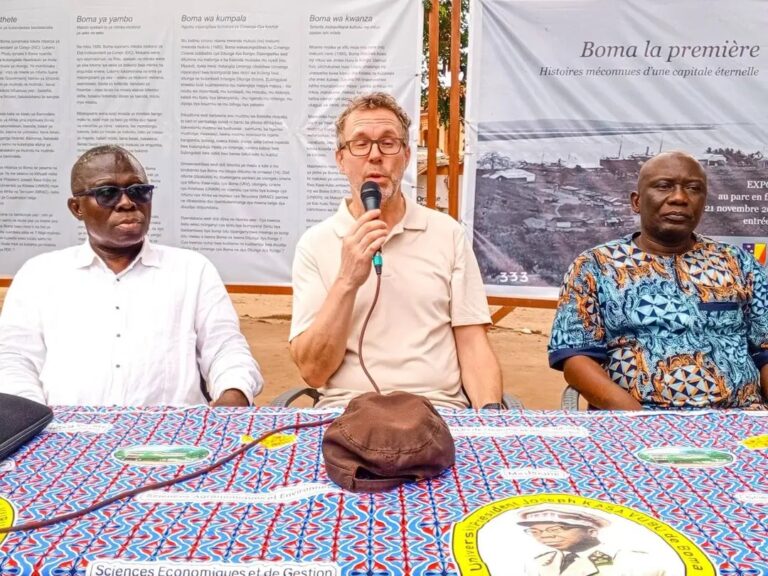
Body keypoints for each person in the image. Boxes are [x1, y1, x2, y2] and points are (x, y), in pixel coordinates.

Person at [0, 145, 263, 406]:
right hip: (65, 436)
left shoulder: (192, 270)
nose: (127, 203)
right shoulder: (40, 275)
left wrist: (233, 394)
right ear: (76, 208)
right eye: (107, 193)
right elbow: (14, 360)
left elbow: (225, 350)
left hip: (172, 439)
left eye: (138, 191)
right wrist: (33, 423)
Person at [289, 92, 502, 409]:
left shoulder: (447, 234)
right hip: (347, 413)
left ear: (405, 155)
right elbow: (313, 372)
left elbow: (473, 344)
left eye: (388, 143)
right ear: (341, 159)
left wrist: (490, 414)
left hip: (437, 411)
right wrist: (347, 280)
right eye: (360, 143)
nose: (375, 156)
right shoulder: (316, 243)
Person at [549, 151, 768, 410]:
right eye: (664, 186)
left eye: (693, 189)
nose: (679, 198)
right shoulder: (595, 266)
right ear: (636, 201)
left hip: (740, 420)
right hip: (634, 423)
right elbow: (576, 360)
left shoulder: (739, 264)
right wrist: (640, 422)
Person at [517, 509, 667, 576]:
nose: (544, 536)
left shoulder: (634, 562)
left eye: (555, 529)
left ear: (591, 532)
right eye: (535, 531)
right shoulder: (540, 561)